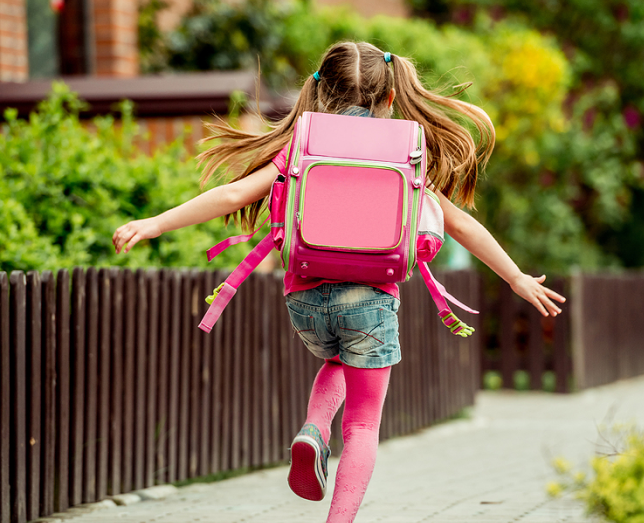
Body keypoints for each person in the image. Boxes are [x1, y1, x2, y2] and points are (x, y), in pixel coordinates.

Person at [112, 41, 566, 523]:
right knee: (365, 423)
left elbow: (234, 193)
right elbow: (462, 226)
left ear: (320, 93)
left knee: (335, 358)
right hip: (371, 300)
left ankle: (312, 427)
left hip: (304, 297)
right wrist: (515, 277)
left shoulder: (301, 147)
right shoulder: (405, 152)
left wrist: (155, 223)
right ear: (391, 97)